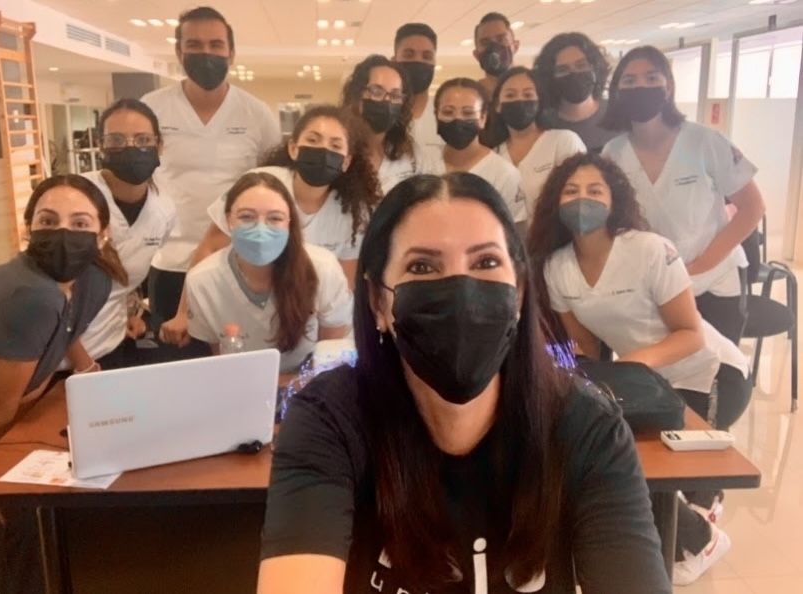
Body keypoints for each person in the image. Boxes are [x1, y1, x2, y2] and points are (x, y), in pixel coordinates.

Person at [257, 172, 671, 593]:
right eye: (422, 267)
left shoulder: (587, 428)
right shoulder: (329, 422)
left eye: (486, 263)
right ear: (378, 301)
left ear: (519, 291)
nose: (462, 292)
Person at [529, 153, 751, 586]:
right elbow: (584, 347)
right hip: (647, 383)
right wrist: (553, 366)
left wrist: (631, 364)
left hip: (710, 375)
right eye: (571, 191)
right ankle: (698, 511)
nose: (582, 199)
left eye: (595, 190)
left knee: (646, 467)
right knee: (611, 451)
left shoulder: (649, 249)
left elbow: (691, 334)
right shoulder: (557, 267)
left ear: (614, 199)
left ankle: (704, 538)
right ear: (556, 201)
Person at [0, 175, 121, 594]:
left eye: (80, 223)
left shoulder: (93, 278)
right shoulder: (29, 296)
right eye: (48, 220)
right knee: (1, 535)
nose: (63, 234)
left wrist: (89, 371)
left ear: (102, 234)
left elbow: (67, 324)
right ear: (29, 228)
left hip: (11, 407)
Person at [161, 105, 377, 348]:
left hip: (306, 319)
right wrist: (183, 313)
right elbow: (211, 246)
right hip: (246, 308)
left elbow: (345, 283)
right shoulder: (262, 186)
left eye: (335, 145)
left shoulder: (352, 212)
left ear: (346, 161)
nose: (323, 151)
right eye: (313, 140)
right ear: (293, 148)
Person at [141, 6, 280, 360]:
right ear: (179, 52)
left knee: (235, 361)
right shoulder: (152, 109)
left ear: (231, 53)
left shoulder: (257, 114)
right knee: (174, 366)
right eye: (195, 45)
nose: (206, 53)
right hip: (170, 263)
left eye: (216, 45)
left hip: (237, 263)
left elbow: (272, 187)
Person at [601, 45, 765, 344]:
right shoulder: (613, 153)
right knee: (661, 368)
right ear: (617, 92)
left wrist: (701, 266)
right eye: (629, 81)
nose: (641, 87)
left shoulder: (704, 141)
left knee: (719, 366)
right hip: (655, 286)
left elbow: (753, 207)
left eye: (652, 78)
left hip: (715, 282)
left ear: (668, 87)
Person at [186, 172, 352, 375]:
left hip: (309, 385)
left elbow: (331, 358)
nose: (260, 230)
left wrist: (293, 385)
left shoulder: (323, 268)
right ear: (229, 220)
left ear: (289, 223)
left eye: (274, 218)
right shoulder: (202, 280)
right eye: (247, 217)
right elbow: (221, 361)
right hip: (242, 384)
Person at [68, 98, 176, 371]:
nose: (131, 148)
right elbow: (51, 293)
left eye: (143, 139)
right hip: (58, 351)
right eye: (116, 140)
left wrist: (132, 310)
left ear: (159, 145)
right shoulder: (73, 197)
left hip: (112, 342)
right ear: (101, 146)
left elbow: (125, 279)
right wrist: (82, 363)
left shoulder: (164, 210)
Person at [429, 78, 527, 234]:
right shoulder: (423, 162)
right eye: (448, 112)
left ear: (483, 118)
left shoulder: (504, 174)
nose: (458, 119)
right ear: (436, 116)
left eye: (468, 113)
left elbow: (516, 233)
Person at [488, 66, 585, 224]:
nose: (519, 100)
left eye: (528, 94)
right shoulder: (494, 156)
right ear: (498, 105)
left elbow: (579, 199)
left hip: (557, 237)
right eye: (510, 95)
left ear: (539, 102)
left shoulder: (563, 141)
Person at [341, 54, 434, 195]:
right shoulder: (338, 147)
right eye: (377, 92)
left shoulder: (411, 153)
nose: (387, 101)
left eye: (395, 95)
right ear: (357, 95)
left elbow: (429, 198)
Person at [533, 32, 618, 152]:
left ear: (595, 67)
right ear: (550, 77)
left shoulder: (618, 115)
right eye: (563, 69)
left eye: (581, 65)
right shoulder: (541, 125)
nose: (574, 73)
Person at [393, 23, 443, 151]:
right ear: (394, 61)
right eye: (409, 55)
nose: (418, 61)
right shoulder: (382, 114)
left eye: (427, 56)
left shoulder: (446, 115)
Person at [473, 12, 520, 99]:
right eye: (485, 43)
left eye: (501, 39)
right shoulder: (471, 96)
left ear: (515, 46)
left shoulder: (536, 91)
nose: (493, 47)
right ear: (476, 55)